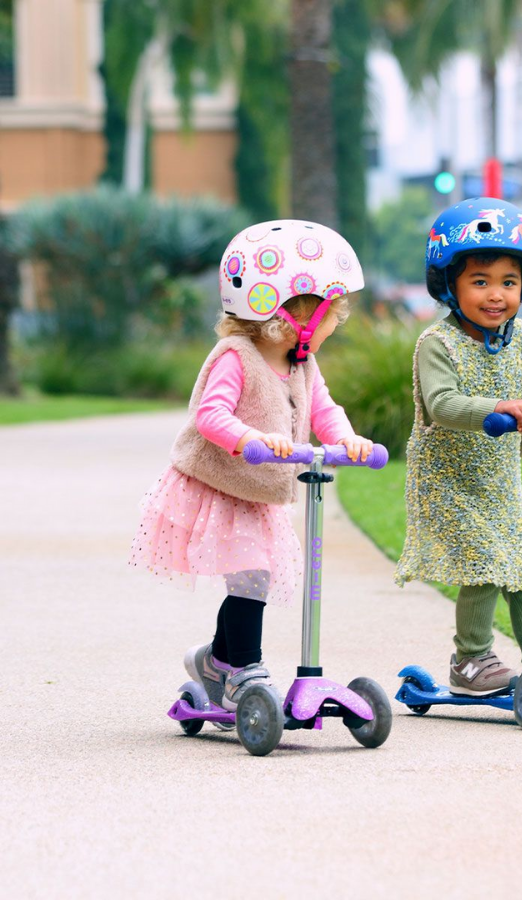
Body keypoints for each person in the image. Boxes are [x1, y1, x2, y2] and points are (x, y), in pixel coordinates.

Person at [129, 220, 373, 712]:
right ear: (290, 313)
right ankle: (243, 669)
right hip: (218, 484)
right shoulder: (235, 356)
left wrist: (346, 440)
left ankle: (216, 662)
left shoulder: (302, 363)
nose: (332, 328)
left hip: (258, 492)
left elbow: (323, 409)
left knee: (252, 576)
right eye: (329, 318)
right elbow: (210, 415)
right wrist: (251, 439)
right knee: (252, 576)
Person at [395, 198, 522, 720]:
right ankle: (470, 662)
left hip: (498, 481)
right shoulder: (436, 343)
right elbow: (442, 404)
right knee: (487, 562)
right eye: (481, 281)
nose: (496, 295)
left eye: (509, 282)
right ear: (449, 285)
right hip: (446, 478)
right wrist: (496, 407)